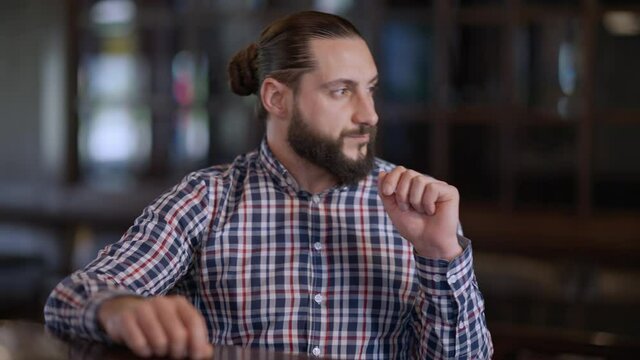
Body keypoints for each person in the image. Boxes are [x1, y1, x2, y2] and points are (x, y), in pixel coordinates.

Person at [45, 10, 493, 360]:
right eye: (341, 91)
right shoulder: (207, 199)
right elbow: (71, 297)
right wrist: (119, 309)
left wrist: (440, 257)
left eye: (370, 89)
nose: (369, 114)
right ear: (277, 98)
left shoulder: (413, 206)